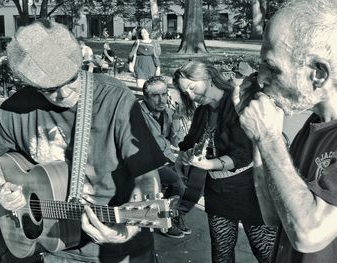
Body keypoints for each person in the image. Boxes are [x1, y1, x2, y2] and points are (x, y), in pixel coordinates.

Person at [0, 19, 167, 263]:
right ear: (29, 85)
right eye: (50, 89)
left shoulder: (115, 99)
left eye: (71, 79)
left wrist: (127, 230)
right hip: (55, 249)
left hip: (120, 249)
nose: (64, 94)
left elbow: (146, 175)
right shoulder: (12, 111)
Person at [237, 1, 337, 262]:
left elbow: (309, 234)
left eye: (272, 67)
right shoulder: (315, 124)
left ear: (318, 73)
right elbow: (274, 215)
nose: (260, 79)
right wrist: (259, 141)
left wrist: (268, 138)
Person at [173, 61, 277, 263]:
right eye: (185, 92)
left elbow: (243, 154)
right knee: (221, 253)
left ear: (209, 77)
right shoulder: (203, 110)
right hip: (218, 192)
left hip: (250, 190)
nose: (191, 96)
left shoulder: (237, 102)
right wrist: (183, 156)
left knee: (266, 252)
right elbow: (190, 141)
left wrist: (209, 165)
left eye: (193, 88)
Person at [139, 76, 191, 239]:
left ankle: (177, 214)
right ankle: (165, 222)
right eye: (155, 96)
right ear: (146, 97)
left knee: (192, 176)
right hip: (145, 162)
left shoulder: (168, 112)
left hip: (165, 158)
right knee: (177, 183)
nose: (161, 100)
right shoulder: (137, 114)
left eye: (164, 94)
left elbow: (178, 141)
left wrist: (177, 120)